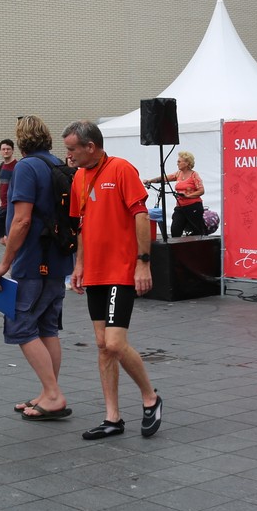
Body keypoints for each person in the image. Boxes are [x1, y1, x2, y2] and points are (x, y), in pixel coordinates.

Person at [63, 119, 162, 440]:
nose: (68, 155)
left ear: (90, 147)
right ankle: (112, 418)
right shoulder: (79, 177)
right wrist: (79, 265)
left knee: (115, 343)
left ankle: (150, 397)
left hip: (120, 270)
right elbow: (81, 225)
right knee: (102, 346)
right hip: (94, 272)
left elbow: (141, 216)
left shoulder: (121, 169)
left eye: (72, 149)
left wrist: (143, 263)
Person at [0, 116, 73, 420]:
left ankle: (52, 395)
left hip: (34, 259)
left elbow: (22, 220)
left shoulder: (26, 167)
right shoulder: (57, 164)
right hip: (58, 259)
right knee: (47, 327)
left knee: (21, 325)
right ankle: (48, 391)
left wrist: (5, 263)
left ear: (21, 140)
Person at [145, 150, 206, 237]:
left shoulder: (194, 175)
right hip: (180, 207)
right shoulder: (178, 174)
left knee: (197, 230)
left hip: (193, 206)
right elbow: (164, 178)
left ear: (187, 163)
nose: (177, 163)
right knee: (175, 230)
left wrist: (188, 196)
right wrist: (150, 181)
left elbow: (201, 190)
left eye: (179, 161)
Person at [0, 138, 17, 242]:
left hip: (11, 206)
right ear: (0, 151)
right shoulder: (2, 165)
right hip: (3, 206)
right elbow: (2, 184)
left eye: (8, 149)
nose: (6, 151)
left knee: (8, 238)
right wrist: (0, 201)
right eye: (3, 149)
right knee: (2, 239)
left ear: (13, 150)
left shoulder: (17, 166)